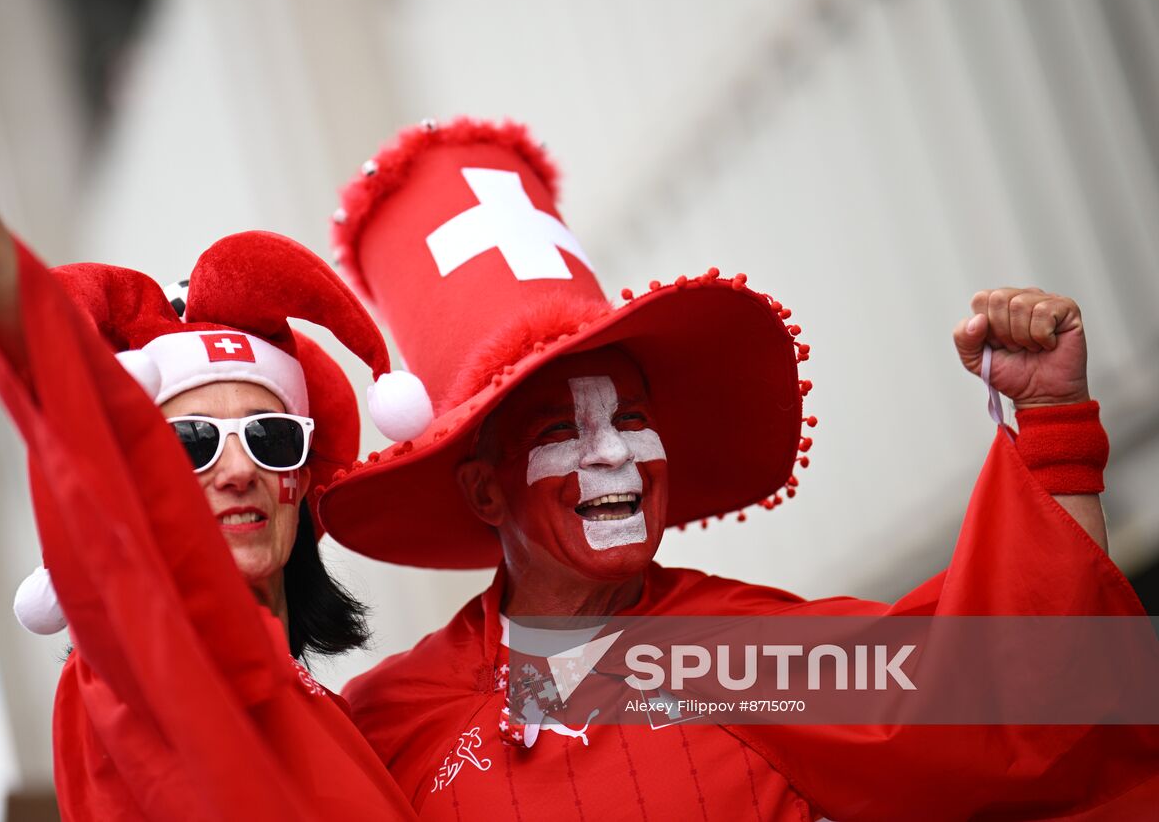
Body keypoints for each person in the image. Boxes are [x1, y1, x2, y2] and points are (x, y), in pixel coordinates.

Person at [315, 118, 1159, 819]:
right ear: (483, 488)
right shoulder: (388, 723)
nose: (613, 452)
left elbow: (1038, 699)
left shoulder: (746, 657)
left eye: (633, 418)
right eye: (563, 428)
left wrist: (1052, 419)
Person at [0, 0, 421, 821]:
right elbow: (58, 375)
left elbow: (664, 687)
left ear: (305, 480)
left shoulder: (373, 720)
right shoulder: (160, 659)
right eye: (193, 440)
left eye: (273, 436)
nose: (240, 465)